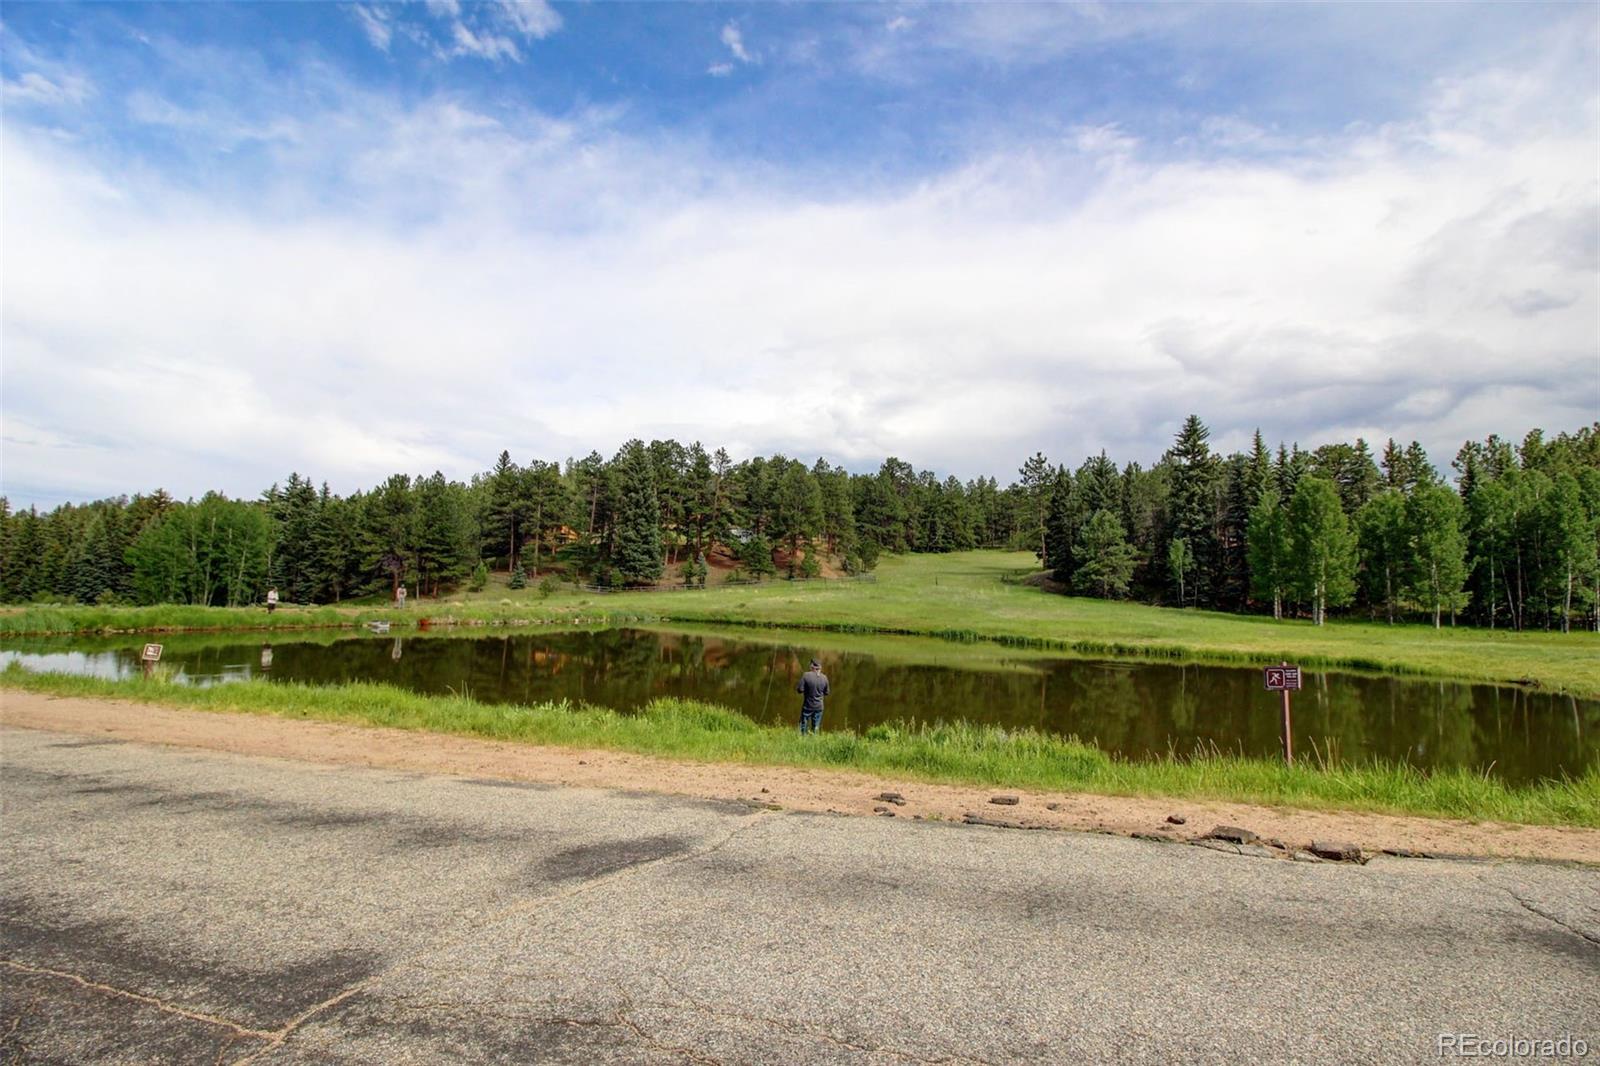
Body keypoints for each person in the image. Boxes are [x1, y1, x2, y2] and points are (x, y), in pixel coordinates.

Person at [795, 657, 830, 735]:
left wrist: (806, 687)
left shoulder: (806, 675)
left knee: (803, 725)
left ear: (812, 666)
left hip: (807, 706)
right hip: (819, 707)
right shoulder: (825, 678)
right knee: (816, 726)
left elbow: (799, 690)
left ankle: (802, 738)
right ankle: (814, 738)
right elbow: (827, 692)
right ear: (820, 667)